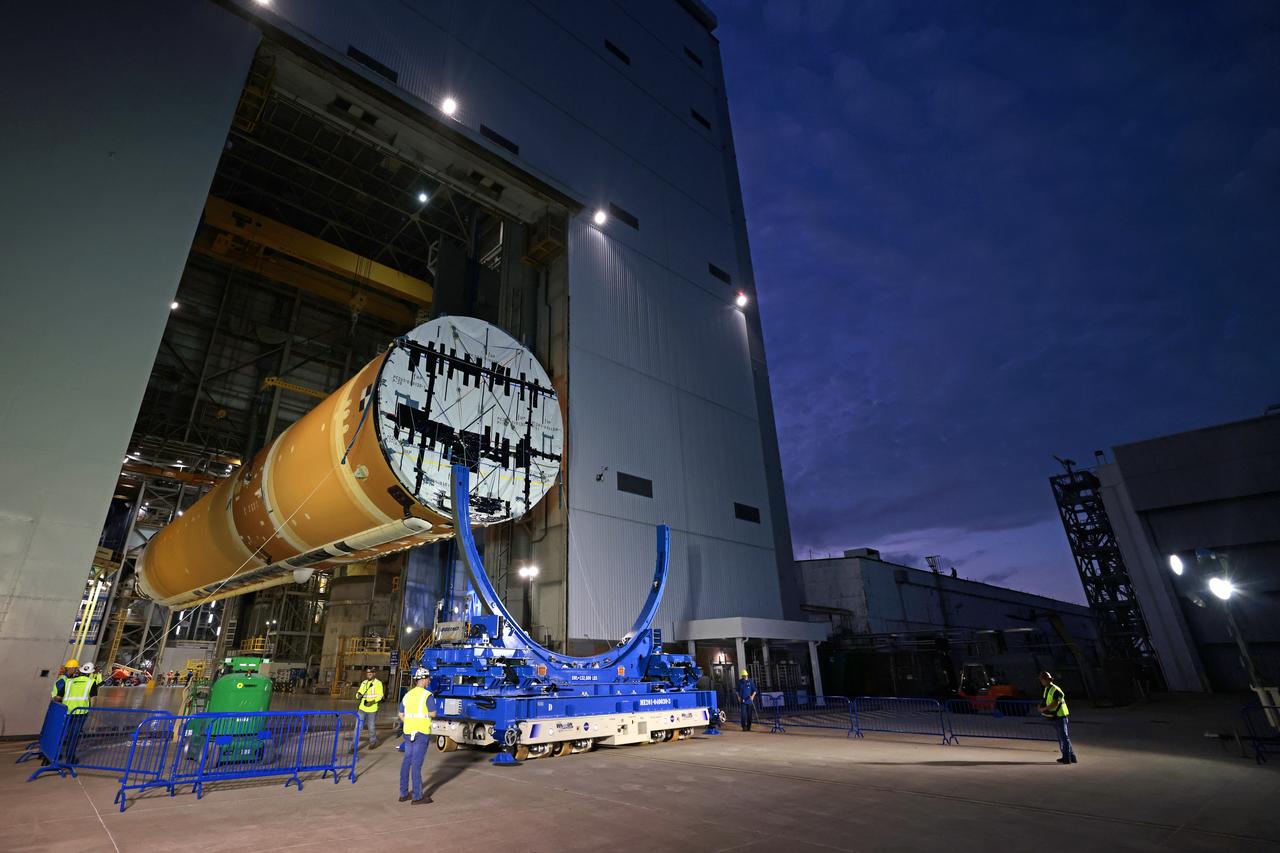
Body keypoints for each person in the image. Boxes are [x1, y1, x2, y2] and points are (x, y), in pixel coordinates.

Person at [398, 667, 433, 805]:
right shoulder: (427, 695)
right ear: (423, 679)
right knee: (416, 764)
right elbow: (434, 713)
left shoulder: (407, 695)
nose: (429, 681)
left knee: (407, 761)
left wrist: (410, 721)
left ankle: (403, 794)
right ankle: (417, 797)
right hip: (421, 733)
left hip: (408, 732)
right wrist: (423, 717)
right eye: (428, 679)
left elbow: (401, 714)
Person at [1038, 671, 1077, 764]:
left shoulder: (1055, 689)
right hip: (1056, 716)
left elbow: (1056, 702)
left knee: (1064, 738)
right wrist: (1040, 706)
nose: (1041, 682)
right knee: (1063, 737)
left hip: (1060, 716)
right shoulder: (1047, 689)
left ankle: (1067, 758)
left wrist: (1044, 709)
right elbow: (1045, 699)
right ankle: (1071, 756)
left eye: (1042, 680)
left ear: (1047, 679)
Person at [357, 667, 385, 749]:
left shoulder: (378, 683)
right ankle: (354, 745)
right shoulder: (364, 683)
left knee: (371, 726)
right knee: (358, 727)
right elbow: (359, 692)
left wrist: (372, 702)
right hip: (362, 708)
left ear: (374, 674)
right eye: (367, 674)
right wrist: (358, 695)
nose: (368, 675)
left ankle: (373, 742)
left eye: (370, 674)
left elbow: (380, 696)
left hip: (372, 709)